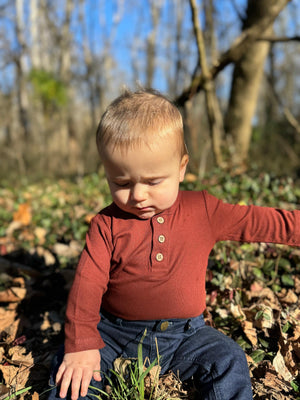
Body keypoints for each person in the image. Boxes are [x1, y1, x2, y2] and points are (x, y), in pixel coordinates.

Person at [48, 88, 300, 400]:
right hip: (114, 334)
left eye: (153, 181)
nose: (138, 195)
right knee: (71, 371)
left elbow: (257, 222)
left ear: (181, 169)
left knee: (228, 357)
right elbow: (87, 286)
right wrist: (82, 343)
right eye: (121, 183)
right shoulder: (107, 224)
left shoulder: (202, 210)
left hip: (186, 336)